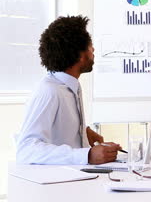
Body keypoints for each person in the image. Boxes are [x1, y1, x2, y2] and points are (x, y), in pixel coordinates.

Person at [16, 15, 121, 165]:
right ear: (80, 55)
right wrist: (87, 155)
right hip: (59, 184)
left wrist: (82, 133)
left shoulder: (71, 86)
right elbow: (26, 151)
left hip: (77, 178)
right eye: (90, 45)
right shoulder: (49, 91)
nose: (93, 49)